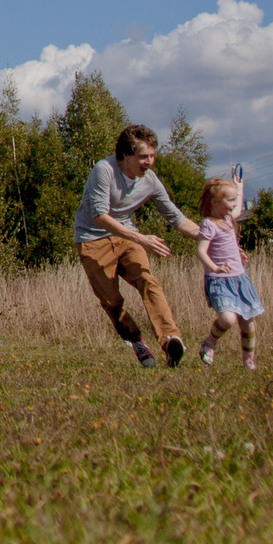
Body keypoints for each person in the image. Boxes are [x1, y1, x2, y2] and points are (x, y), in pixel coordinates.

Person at [74, 123, 201, 367]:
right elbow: (100, 216)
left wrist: (214, 239)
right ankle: (136, 341)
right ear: (125, 155)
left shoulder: (150, 181)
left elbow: (176, 218)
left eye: (153, 155)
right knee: (112, 302)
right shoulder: (104, 170)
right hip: (92, 240)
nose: (150, 162)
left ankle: (170, 340)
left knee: (147, 280)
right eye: (144, 156)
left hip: (127, 237)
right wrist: (142, 239)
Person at [196, 174, 264, 369]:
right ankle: (209, 342)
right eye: (230, 200)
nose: (235, 204)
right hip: (219, 280)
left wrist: (239, 186)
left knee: (247, 321)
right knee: (227, 318)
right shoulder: (209, 224)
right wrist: (215, 267)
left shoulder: (227, 219)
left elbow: (239, 207)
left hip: (239, 278)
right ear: (216, 201)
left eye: (235, 199)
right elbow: (201, 251)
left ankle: (248, 362)